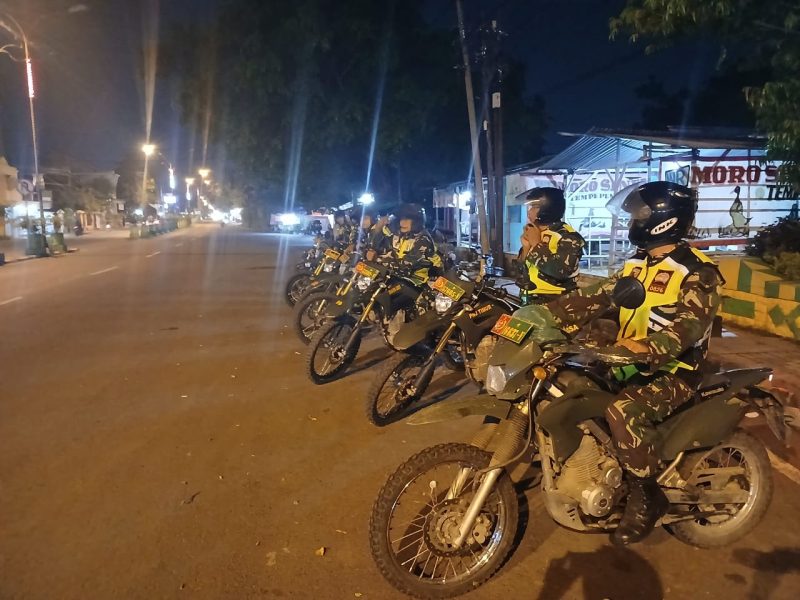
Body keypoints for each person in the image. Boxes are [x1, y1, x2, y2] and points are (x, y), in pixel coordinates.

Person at [547, 181, 724, 546]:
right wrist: (544, 317)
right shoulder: (638, 264)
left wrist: (645, 348)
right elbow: (595, 297)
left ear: (662, 219)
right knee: (573, 383)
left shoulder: (697, 271)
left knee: (623, 411)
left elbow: (688, 329)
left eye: (638, 215)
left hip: (676, 371)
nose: (632, 221)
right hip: (629, 361)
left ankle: (647, 494)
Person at [517, 187, 585, 304]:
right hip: (530, 299)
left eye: (534, 206)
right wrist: (526, 248)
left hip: (557, 303)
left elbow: (561, 271)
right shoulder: (535, 231)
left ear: (548, 208)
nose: (529, 211)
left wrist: (536, 245)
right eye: (530, 206)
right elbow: (521, 271)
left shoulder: (568, 237)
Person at [371, 204, 443, 282]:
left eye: (407, 220)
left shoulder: (423, 239)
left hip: (416, 282)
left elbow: (405, 266)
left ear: (417, 222)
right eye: (401, 219)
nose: (402, 223)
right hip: (396, 278)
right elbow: (380, 248)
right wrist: (378, 228)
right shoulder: (400, 235)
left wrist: (377, 259)